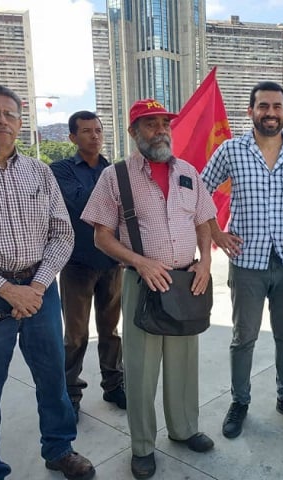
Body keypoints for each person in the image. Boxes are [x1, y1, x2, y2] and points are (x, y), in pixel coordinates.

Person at [0, 85, 94, 479]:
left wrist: (38, 287)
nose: (2, 120)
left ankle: (59, 448)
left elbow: (62, 234)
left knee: (52, 379)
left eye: (10, 114)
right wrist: (7, 289)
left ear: (20, 123)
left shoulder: (39, 171)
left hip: (41, 290)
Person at [81, 99, 216, 479]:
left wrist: (204, 261)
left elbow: (204, 220)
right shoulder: (116, 176)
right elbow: (101, 236)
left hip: (186, 282)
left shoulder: (188, 171)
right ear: (133, 131)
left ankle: (184, 428)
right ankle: (142, 446)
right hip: (142, 281)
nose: (160, 130)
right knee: (141, 371)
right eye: (150, 124)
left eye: (164, 123)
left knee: (184, 365)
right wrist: (139, 261)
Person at [201, 81, 283, 439]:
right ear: (251, 111)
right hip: (247, 262)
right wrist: (216, 232)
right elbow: (200, 188)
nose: (270, 113)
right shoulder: (231, 150)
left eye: (277, 106)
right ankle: (239, 401)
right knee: (244, 337)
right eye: (263, 106)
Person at [51, 111, 125, 421]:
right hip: (77, 263)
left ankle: (114, 384)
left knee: (110, 331)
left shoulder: (116, 170)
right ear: (72, 137)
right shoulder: (61, 170)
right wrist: (119, 201)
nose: (94, 136)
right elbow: (83, 203)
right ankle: (70, 392)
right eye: (85, 131)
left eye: (97, 130)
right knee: (76, 334)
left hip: (112, 261)